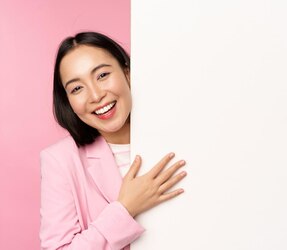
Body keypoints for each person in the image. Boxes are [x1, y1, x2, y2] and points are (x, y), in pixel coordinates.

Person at [39, 31, 188, 250]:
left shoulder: (182, 131)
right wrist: (125, 208)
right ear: (68, 101)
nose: (96, 95)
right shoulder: (60, 160)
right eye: (77, 88)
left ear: (127, 73)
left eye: (102, 75)